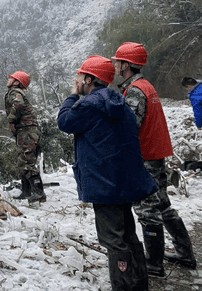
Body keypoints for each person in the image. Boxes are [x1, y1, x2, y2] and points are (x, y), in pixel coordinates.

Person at [58, 55, 157, 291]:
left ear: (90, 79)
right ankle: (139, 284)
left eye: (81, 76)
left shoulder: (89, 104)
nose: (78, 80)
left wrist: (73, 94)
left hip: (104, 184)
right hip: (124, 181)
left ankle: (124, 287)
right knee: (128, 236)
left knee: (113, 240)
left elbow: (64, 122)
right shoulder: (119, 102)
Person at [112, 43, 197, 276]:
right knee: (162, 205)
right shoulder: (146, 86)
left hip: (145, 157)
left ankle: (154, 263)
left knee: (147, 210)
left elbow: (130, 127)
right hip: (156, 154)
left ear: (126, 65)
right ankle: (185, 254)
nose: (115, 65)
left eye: (118, 62)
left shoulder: (135, 91)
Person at [4, 71, 45, 202]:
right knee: (23, 160)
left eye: (12, 78)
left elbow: (18, 104)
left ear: (17, 82)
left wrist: (10, 120)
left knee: (26, 161)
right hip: (26, 130)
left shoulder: (15, 92)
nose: (9, 80)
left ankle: (39, 193)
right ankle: (26, 191)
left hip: (27, 130)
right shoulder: (16, 91)